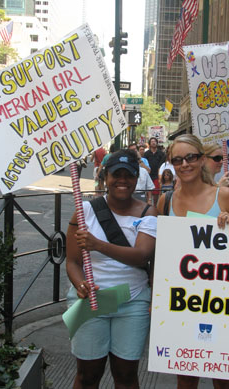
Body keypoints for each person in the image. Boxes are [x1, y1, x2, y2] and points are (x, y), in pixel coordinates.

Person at [157, 134, 229, 389]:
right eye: (177, 160)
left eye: (190, 158)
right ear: (172, 164)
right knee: (185, 378)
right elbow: (162, 255)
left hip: (223, 302)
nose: (184, 164)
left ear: (202, 160)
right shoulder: (166, 202)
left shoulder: (225, 196)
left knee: (225, 377)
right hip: (183, 304)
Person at [66, 149, 157, 389]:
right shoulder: (84, 211)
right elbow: (72, 262)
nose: (123, 180)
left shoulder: (148, 212)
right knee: (87, 375)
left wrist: (98, 245)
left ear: (137, 179)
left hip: (132, 300)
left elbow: (142, 254)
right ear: (105, 177)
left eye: (129, 175)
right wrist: (80, 284)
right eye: (117, 174)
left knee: (126, 375)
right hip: (91, 300)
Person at [144, 137, 166, 206]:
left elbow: (163, 164)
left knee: (156, 192)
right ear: (149, 144)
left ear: (157, 143)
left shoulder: (161, 153)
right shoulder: (146, 153)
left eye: (154, 141)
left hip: (157, 175)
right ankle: (148, 206)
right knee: (148, 191)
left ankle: (155, 206)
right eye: (152, 141)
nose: (153, 142)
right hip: (149, 175)